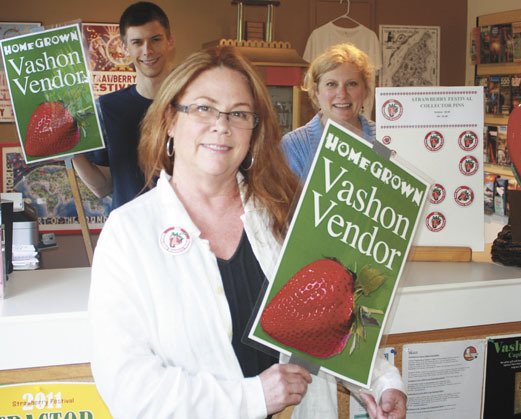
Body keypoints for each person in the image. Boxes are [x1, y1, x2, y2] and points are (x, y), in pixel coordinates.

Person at [89, 46, 406, 419]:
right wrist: (252, 398)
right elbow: (128, 388)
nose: (221, 125)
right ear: (170, 120)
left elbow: (334, 315)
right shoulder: (128, 234)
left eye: (239, 113)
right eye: (204, 108)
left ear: (254, 131)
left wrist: (383, 383)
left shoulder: (286, 210)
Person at [73, 1, 175, 210]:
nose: (147, 50)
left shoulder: (192, 104)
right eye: (137, 42)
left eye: (155, 39)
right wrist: (72, 152)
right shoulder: (107, 107)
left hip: (184, 232)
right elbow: (103, 187)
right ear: (125, 47)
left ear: (170, 41)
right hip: (128, 234)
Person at [282, 43, 375, 182]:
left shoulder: (387, 138)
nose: (342, 94)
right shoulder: (294, 145)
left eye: (352, 84)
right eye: (331, 84)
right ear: (316, 91)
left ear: (365, 90)